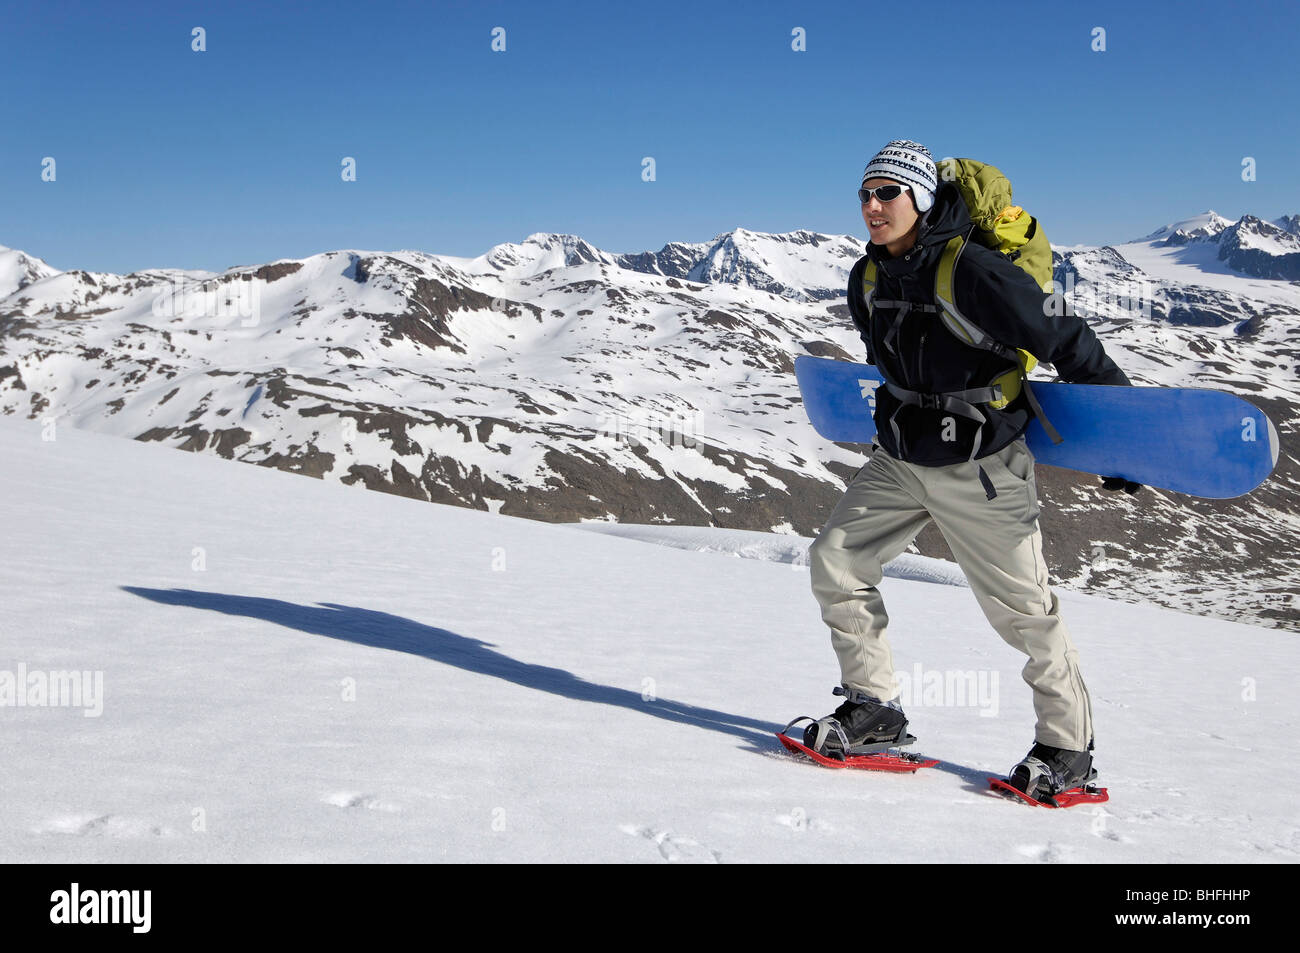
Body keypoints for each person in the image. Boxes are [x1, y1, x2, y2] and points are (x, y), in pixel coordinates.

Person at [805, 139, 1135, 801]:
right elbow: (888, 360)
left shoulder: (975, 270)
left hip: (981, 464)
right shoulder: (868, 277)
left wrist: (1118, 435)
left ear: (921, 198)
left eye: (888, 193)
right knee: (835, 562)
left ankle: (1067, 750)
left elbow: (1063, 336)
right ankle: (874, 710)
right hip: (901, 458)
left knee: (1024, 615)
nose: (873, 206)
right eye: (865, 194)